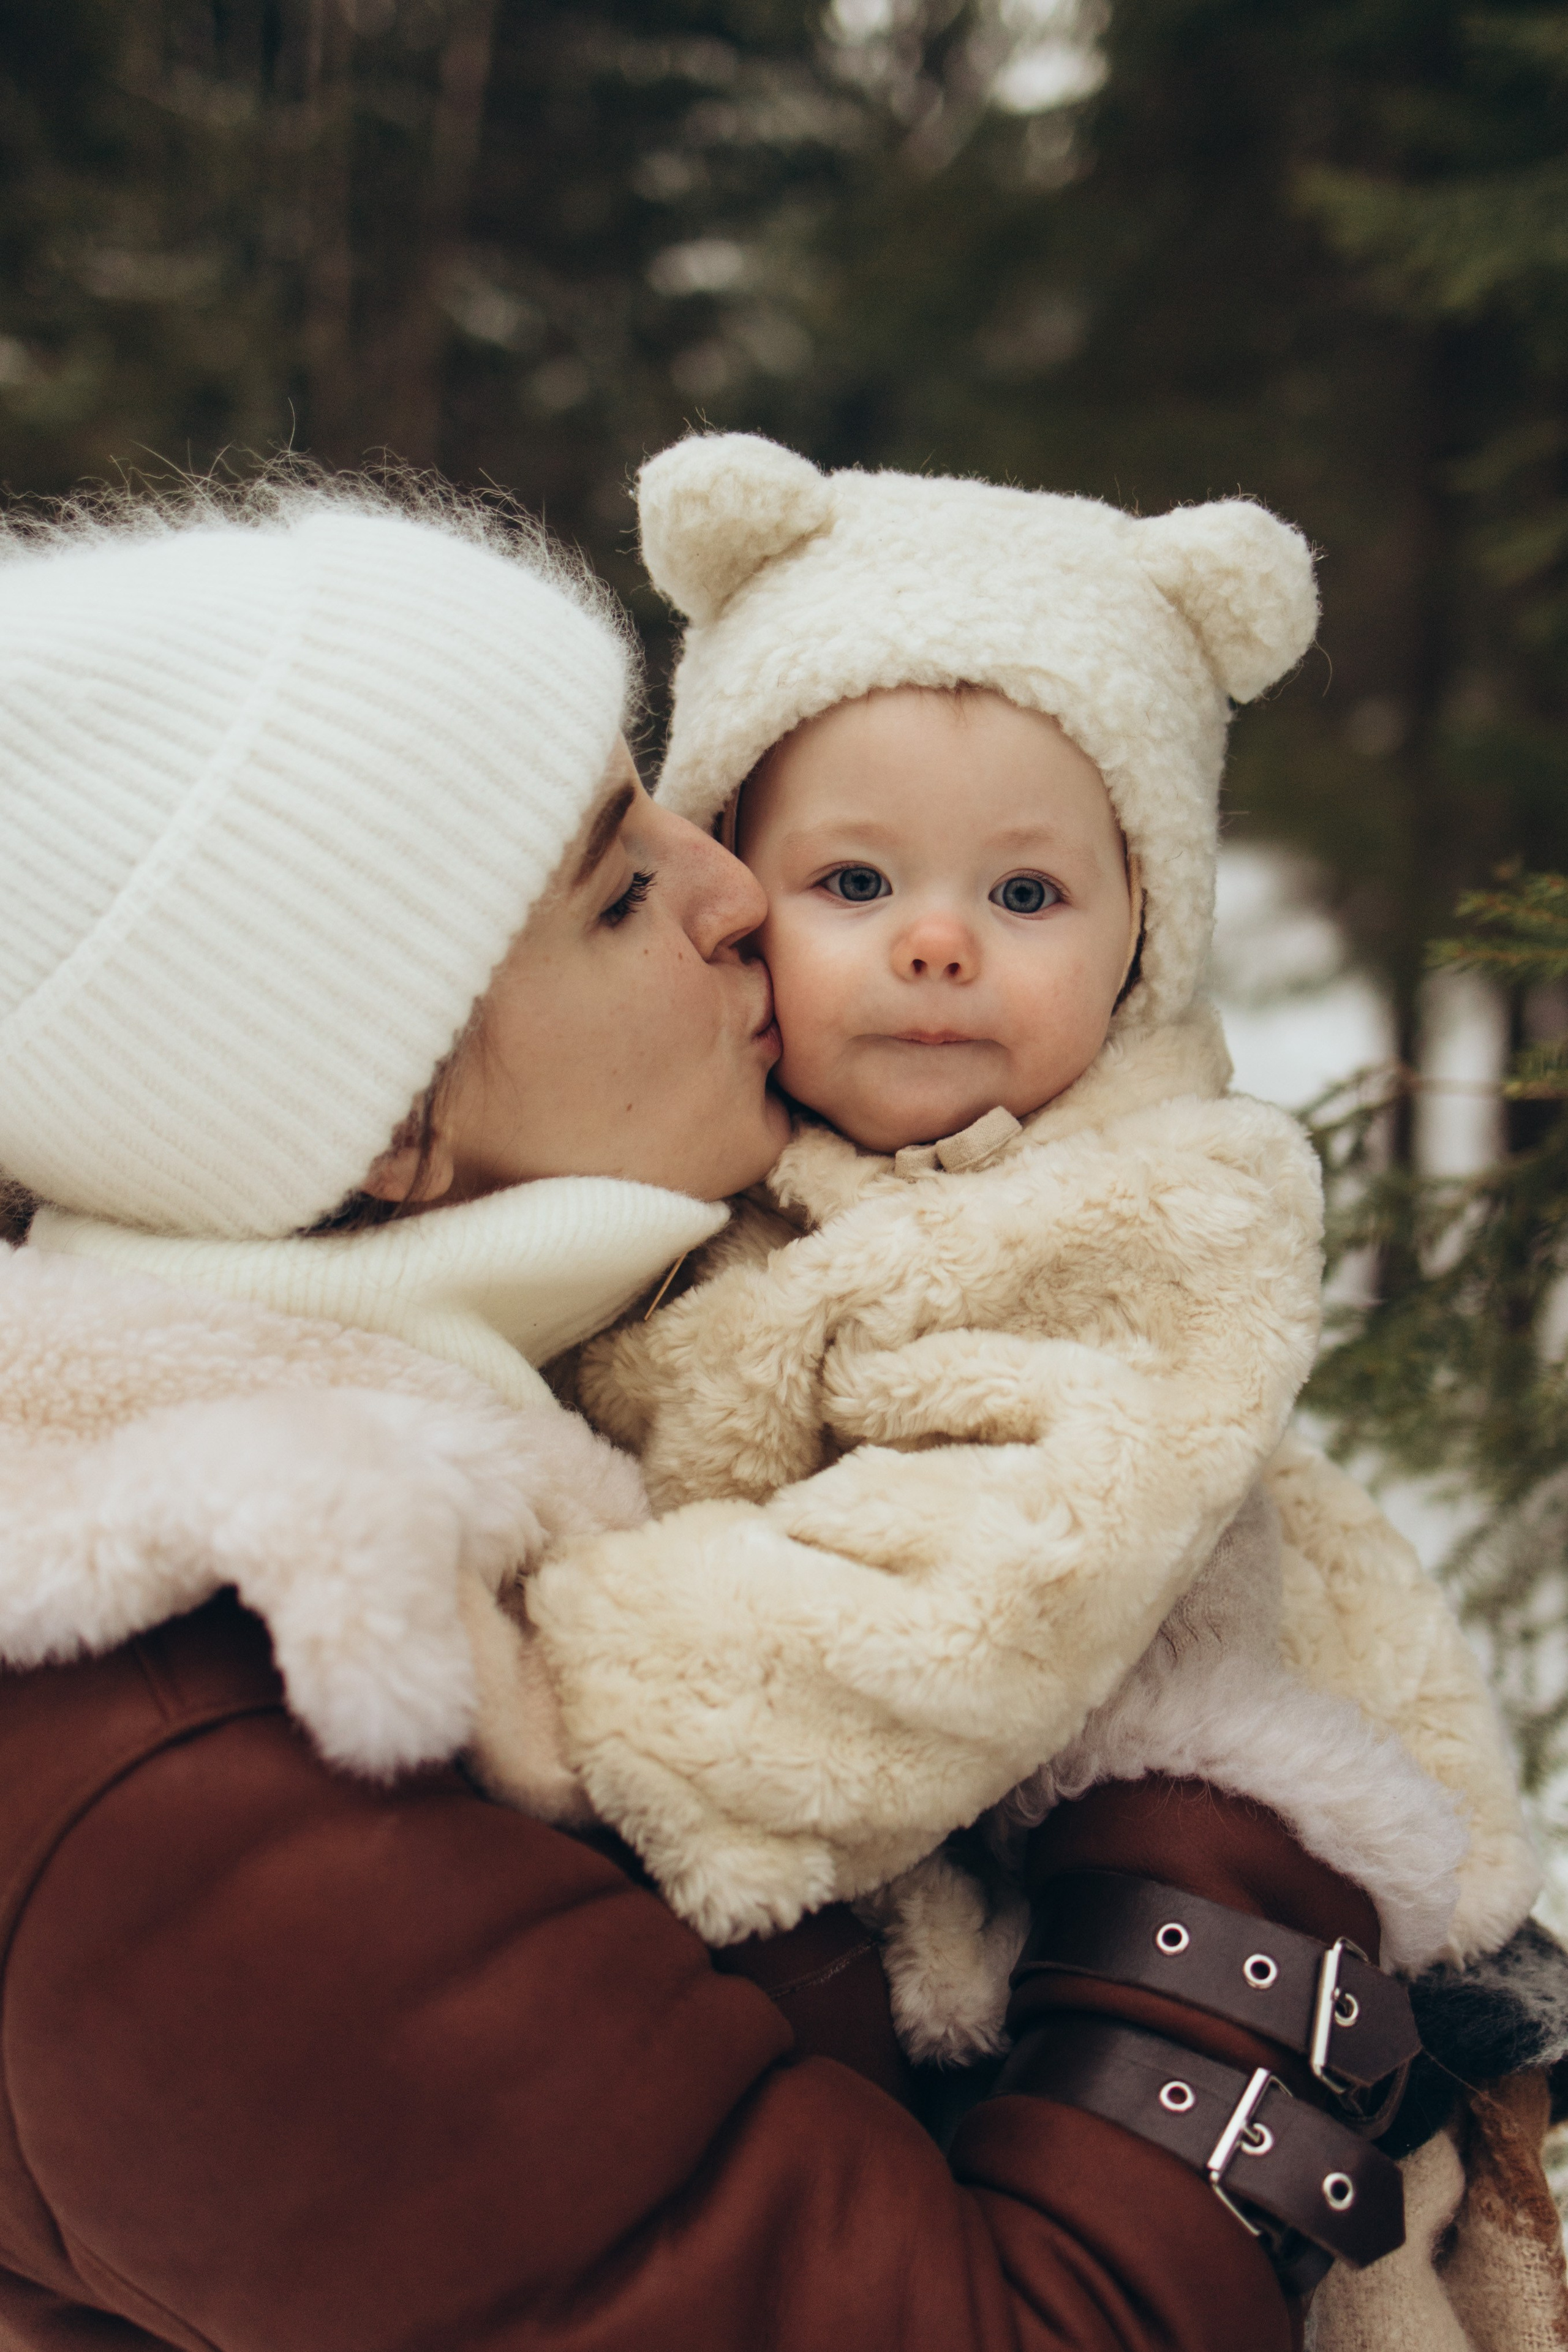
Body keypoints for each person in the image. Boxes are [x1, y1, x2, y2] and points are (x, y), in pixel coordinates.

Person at [0, 472, 1539, 2352]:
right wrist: (1217, 1822)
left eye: (663, 793)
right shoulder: (206, 1777)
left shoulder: (517, 1418)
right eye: (621, 884)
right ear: (386, 1119)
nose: (740, 884)